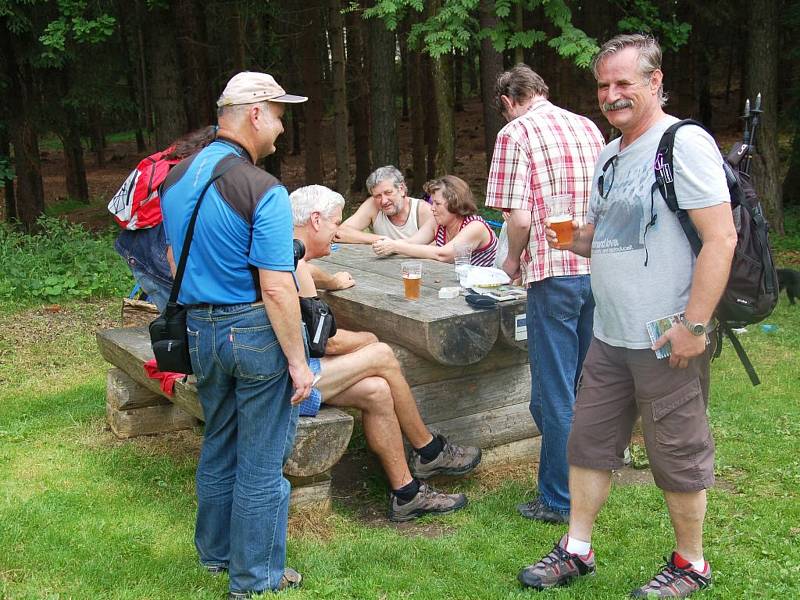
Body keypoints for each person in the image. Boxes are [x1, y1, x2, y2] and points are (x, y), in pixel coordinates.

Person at [517, 34, 737, 598]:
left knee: (676, 453)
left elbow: (721, 238)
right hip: (609, 335)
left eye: (624, 84)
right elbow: (611, 239)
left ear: (655, 82)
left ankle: (691, 563)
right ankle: (577, 548)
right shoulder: (610, 155)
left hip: (665, 337)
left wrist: (693, 325)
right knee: (588, 444)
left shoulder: (682, 143)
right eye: (603, 85)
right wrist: (575, 236)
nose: (611, 95)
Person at [160, 71, 313, 598]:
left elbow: (173, 259)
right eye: (278, 115)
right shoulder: (262, 188)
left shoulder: (176, 178)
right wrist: (298, 361)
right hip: (252, 332)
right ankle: (256, 577)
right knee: (263, 461)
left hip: (200, 331)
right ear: (254, 114)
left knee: (219, 440)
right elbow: (276, 287)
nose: (281, 129)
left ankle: (215, 554)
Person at [290, 184, 483, 522]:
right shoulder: (288, 260)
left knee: (378, 391)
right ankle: (428, 449)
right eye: (336, 223)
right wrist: (368, 337)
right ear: (316, 220)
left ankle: (407, 494)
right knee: (381, 353)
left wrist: (332, 282)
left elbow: (308, 271)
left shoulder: (286, 251)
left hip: (296, 370)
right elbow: (328, 344)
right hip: (288, 384)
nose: (339, 231)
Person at [484, 64, 604, 523]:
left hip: (553, 274)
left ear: (508, 102)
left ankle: (558, 499)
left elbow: (517, 219)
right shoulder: (588, 126)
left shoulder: (516, 133)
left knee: (554, 393)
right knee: (580, 386)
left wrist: (511, 261)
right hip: (597, 266)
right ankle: (588, 474)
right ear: (542, 90)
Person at [114, 126, 217, 312]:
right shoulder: (195, 175)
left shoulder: (175, 159)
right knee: (188, 324)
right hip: (152, 257)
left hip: (135, 248)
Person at [371, 175, 497, 266]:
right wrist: (387, 244)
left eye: (437, 203)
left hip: (487, 291)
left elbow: (444, 255)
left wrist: (396, 246)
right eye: (432, 203)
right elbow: (412, 242)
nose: (432, 208)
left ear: (455, 203)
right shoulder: (437, 222)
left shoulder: (475, 226)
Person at [334, 165, 434, 243]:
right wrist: (382, 239)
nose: (384, 201)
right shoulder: (373, 205)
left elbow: (438, 245)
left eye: (388, 193)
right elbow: (340, 232)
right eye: (378, 196)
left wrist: (397, 247)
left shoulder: (423, 210)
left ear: (402, 189)